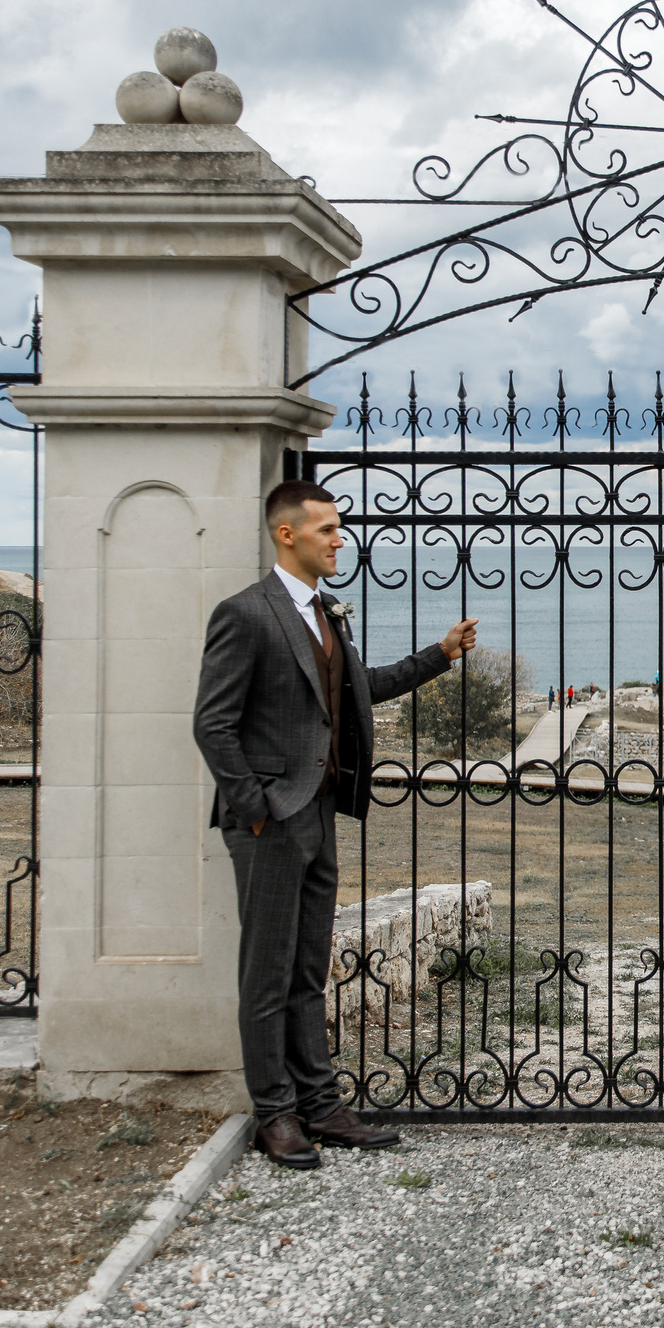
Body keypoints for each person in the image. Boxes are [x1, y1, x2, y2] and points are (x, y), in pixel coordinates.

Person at [193, 479, 477, 1170]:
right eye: (327, 528)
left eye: (338, 527)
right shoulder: (246, 614)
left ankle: (320, 1104)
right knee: (266, 973)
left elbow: (358, 689)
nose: (339, 538)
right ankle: (275, 1114)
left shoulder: (327, 616)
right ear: (286, 533)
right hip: (271, 822)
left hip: (318, 814)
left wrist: (439, 655)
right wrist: (258, 809)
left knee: (306, 968)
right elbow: (213, 724)